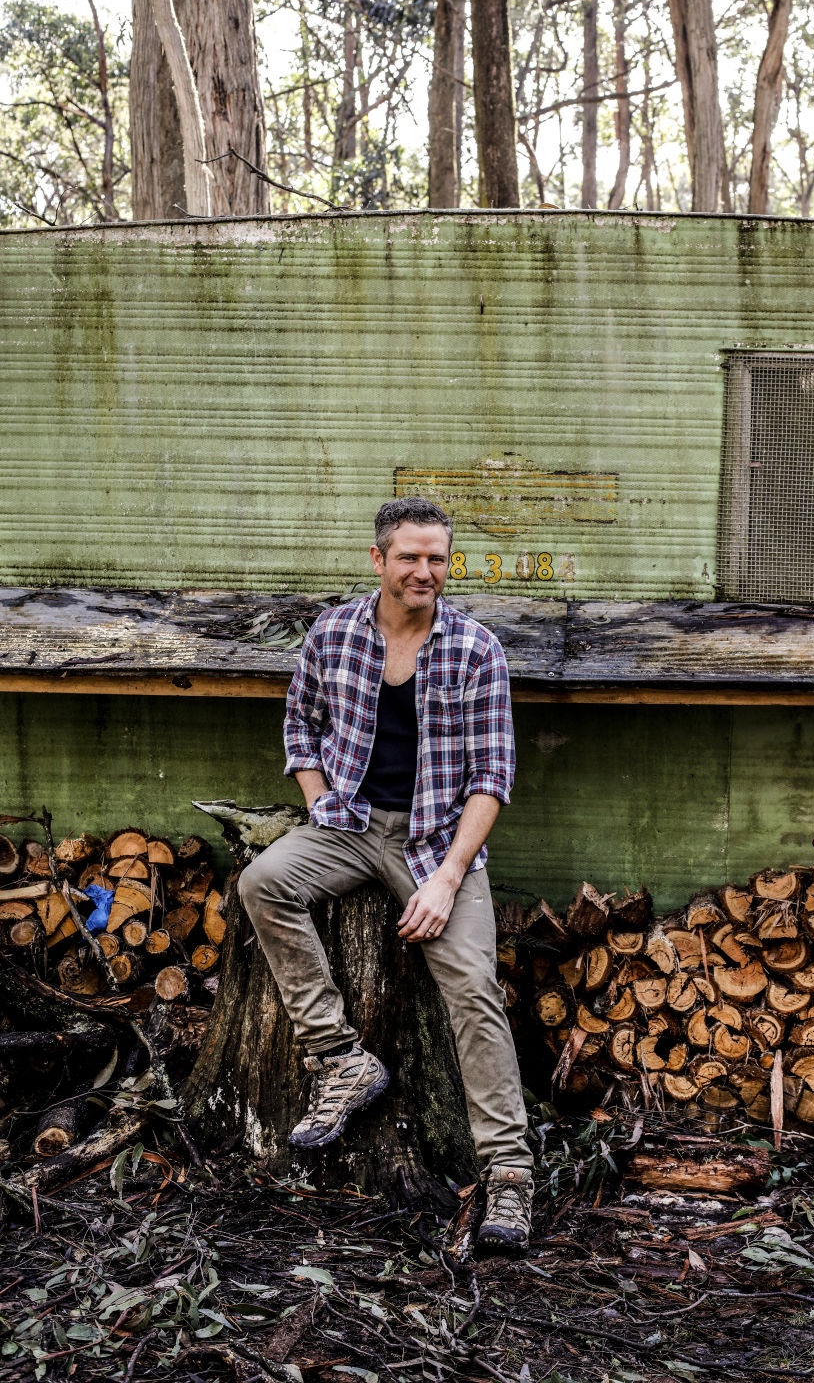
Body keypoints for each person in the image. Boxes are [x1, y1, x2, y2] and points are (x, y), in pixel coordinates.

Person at [238, 497, 534, 1251]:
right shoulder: (334, 633)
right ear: (379, 560)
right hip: (348, 825)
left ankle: (508, 1176)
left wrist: (446, 879)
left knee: (471, 984)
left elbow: (491, 779)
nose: (424, 571)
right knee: (262, 882)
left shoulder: (475, 649)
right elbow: (299, 726)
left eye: (437, 557)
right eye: (410, 556)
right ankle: (340, 1058)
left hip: (436, 841)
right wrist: (322, 803)